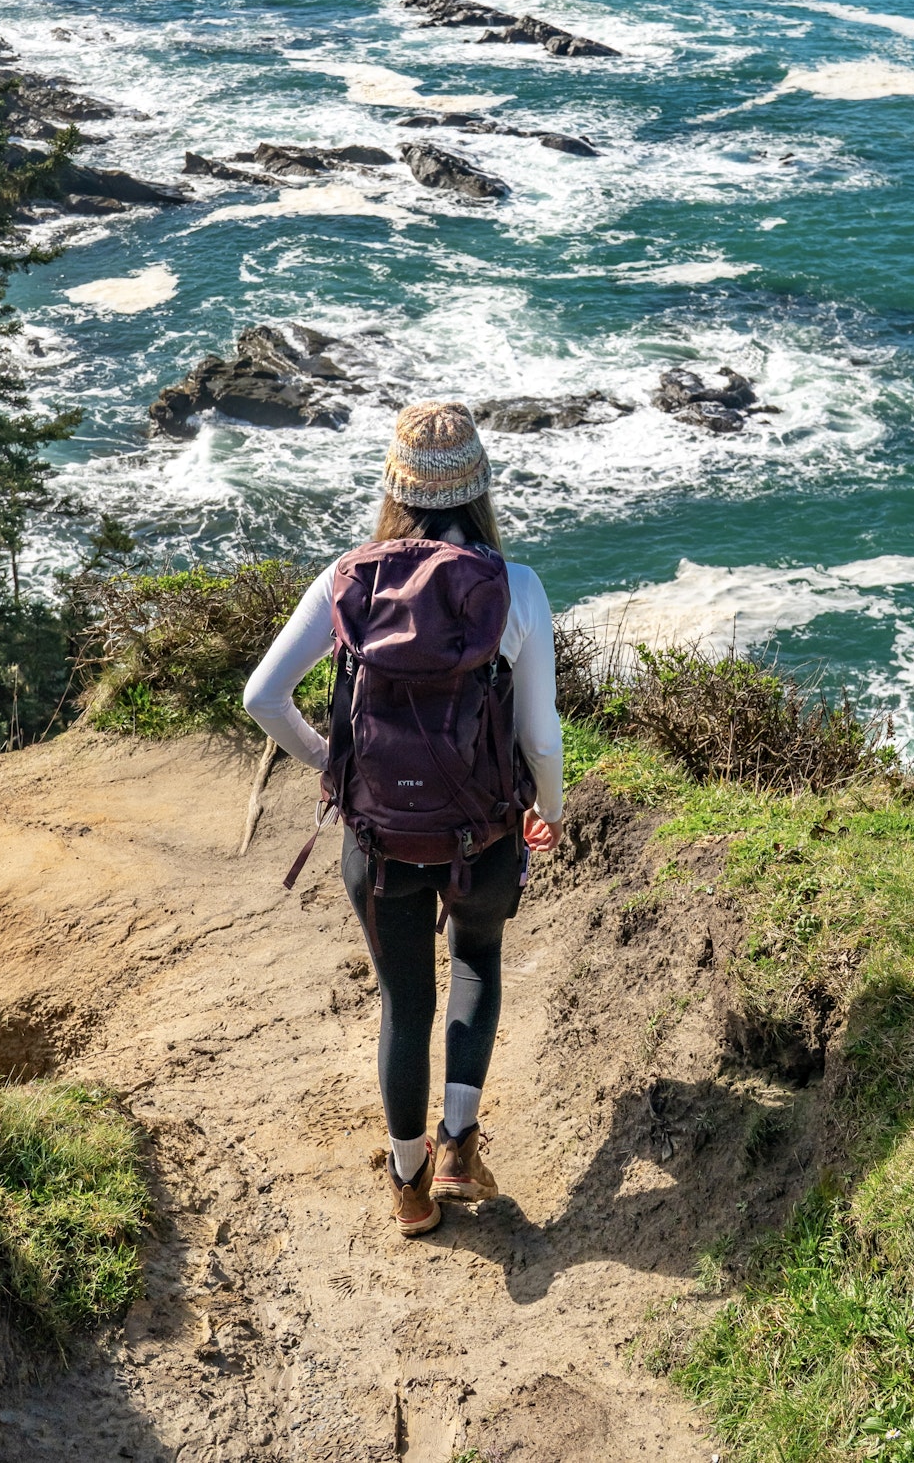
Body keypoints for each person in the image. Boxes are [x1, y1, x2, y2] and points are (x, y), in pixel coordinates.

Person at [243, 400, 565, 1237]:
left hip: (377, 836)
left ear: (394, 487)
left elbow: (262, 698)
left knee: (403, 1002)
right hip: (483, 830)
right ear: (479, 489)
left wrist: (330, 763)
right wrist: (552, 811)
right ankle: (460, 1145)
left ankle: (409, 1185)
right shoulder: (513, 587)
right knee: (477, 964)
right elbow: (538, 735)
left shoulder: (347, 577)